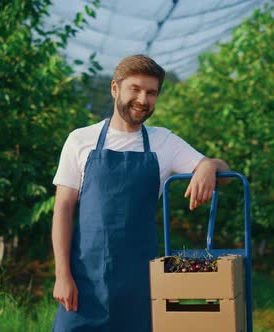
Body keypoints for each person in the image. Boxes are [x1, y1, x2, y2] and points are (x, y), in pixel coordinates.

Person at [51, 54, 229, 331]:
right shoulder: (80, 140)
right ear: (115, 88)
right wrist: (62, 275)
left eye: (151, 93)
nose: (143, 100)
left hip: (141, 282)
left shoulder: (164, 141)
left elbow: (222, 170)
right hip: (85, 279)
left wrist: (208, 166)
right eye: (135, 89)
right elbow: (63, 207)